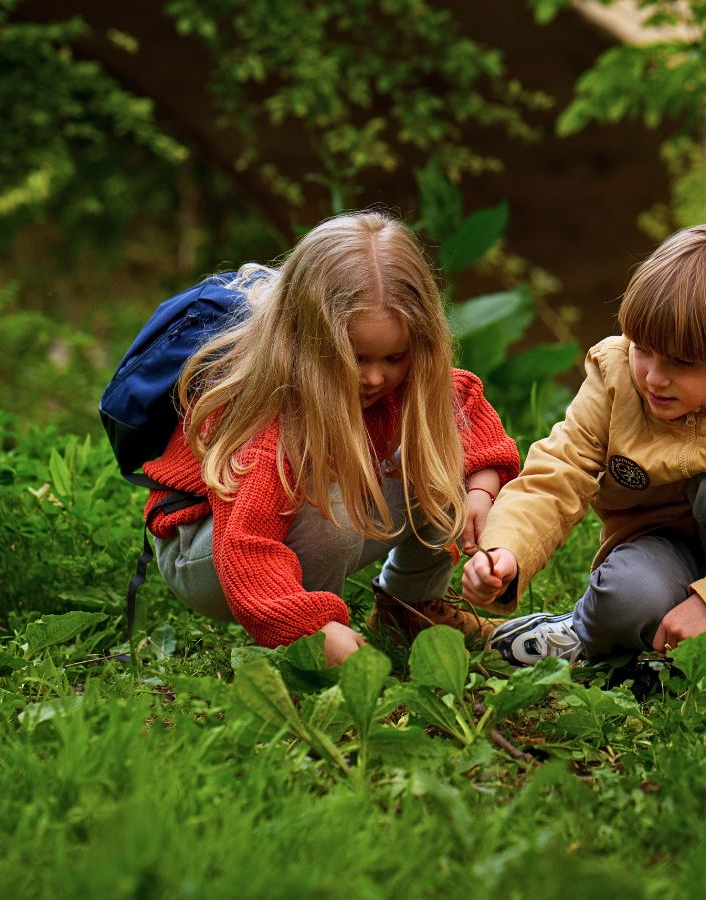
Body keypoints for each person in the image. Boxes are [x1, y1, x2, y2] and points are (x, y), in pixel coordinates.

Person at [462, 224, 706, 672]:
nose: (654, 376)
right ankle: (582, 630)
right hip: (657, 548)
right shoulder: (615, 375)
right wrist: (506, 551)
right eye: (645, 349)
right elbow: (557, 473)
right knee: (628, 597)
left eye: (682, 362)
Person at [143, 211, 519, 666]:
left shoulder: (406, 376)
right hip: (211, 551)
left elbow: (464, 408)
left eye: (394, 357)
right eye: (355, 358)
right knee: (331, 511)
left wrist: (480, 486)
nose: (376, 377)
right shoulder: (273, 422)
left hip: (290, 518)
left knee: (440, 458)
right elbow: (246, 547)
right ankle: (310, 652)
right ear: (308, 340)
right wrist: (314, 629)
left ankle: (409, 608)